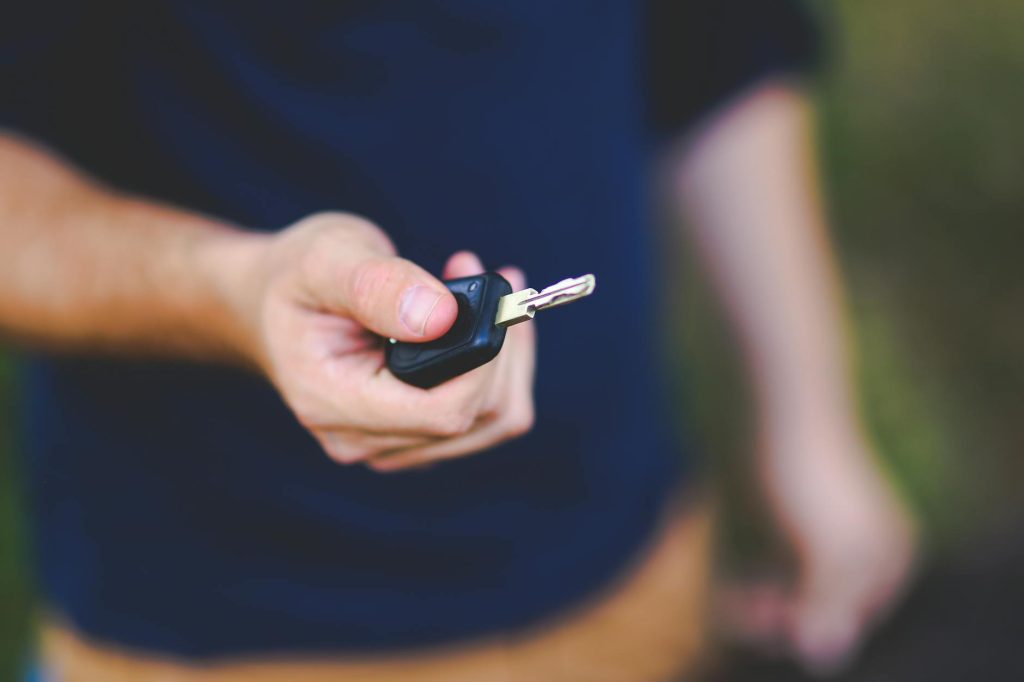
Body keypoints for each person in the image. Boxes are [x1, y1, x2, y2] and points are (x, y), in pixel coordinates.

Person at [0, 2, 915, 680]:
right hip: (239, 633)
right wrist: (239, 290)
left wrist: (811, 418)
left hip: (641, 577)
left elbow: (714, 39)